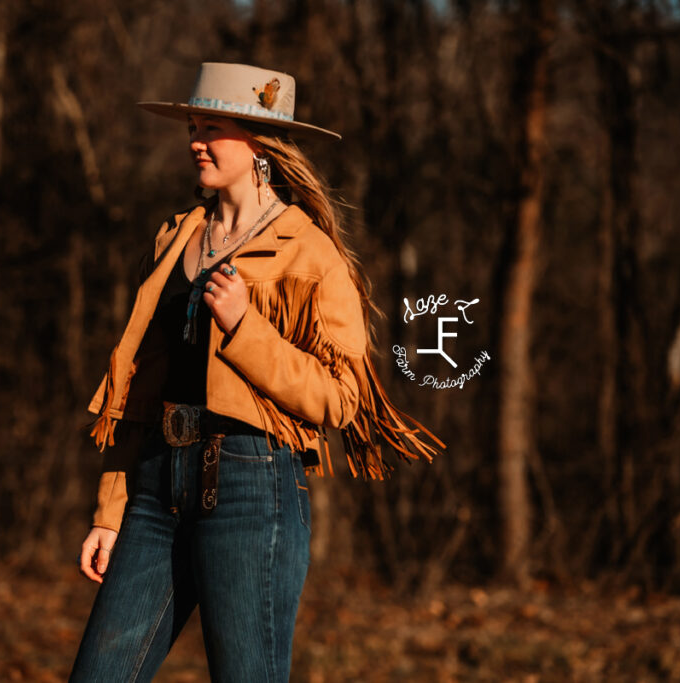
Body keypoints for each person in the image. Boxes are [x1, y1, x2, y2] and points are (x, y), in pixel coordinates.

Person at [66, 62, 444, 683]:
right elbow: (138, 386)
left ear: (258, 143)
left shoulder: (308, 252)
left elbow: (342, 399)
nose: (195, 141)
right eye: (193, 126)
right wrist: (110, 511)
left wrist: (247, 328)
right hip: (156, 485)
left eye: (211, 127)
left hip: (250, 486)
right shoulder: (173, 238)